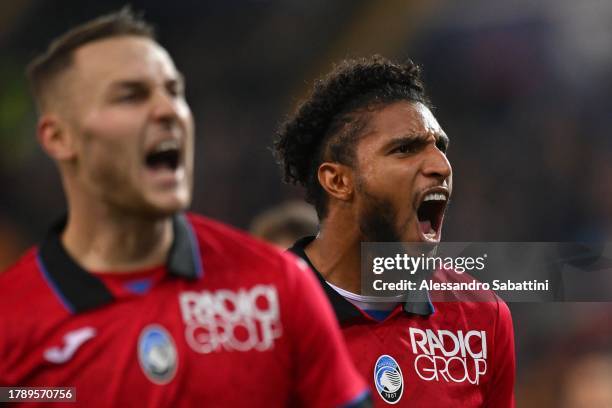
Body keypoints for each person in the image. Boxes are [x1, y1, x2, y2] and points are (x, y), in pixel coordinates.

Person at [0, 9, 371, 407]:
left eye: (174, 92)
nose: (169, 111)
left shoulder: (277, 286)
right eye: (130, 95)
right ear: (59, 137)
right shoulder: (12, 319)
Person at [274, 55, 515, 407]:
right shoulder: (259, 318)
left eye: (440, 147)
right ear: (338, 180)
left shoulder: (480, 316)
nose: (441, 165)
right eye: (405, 149)